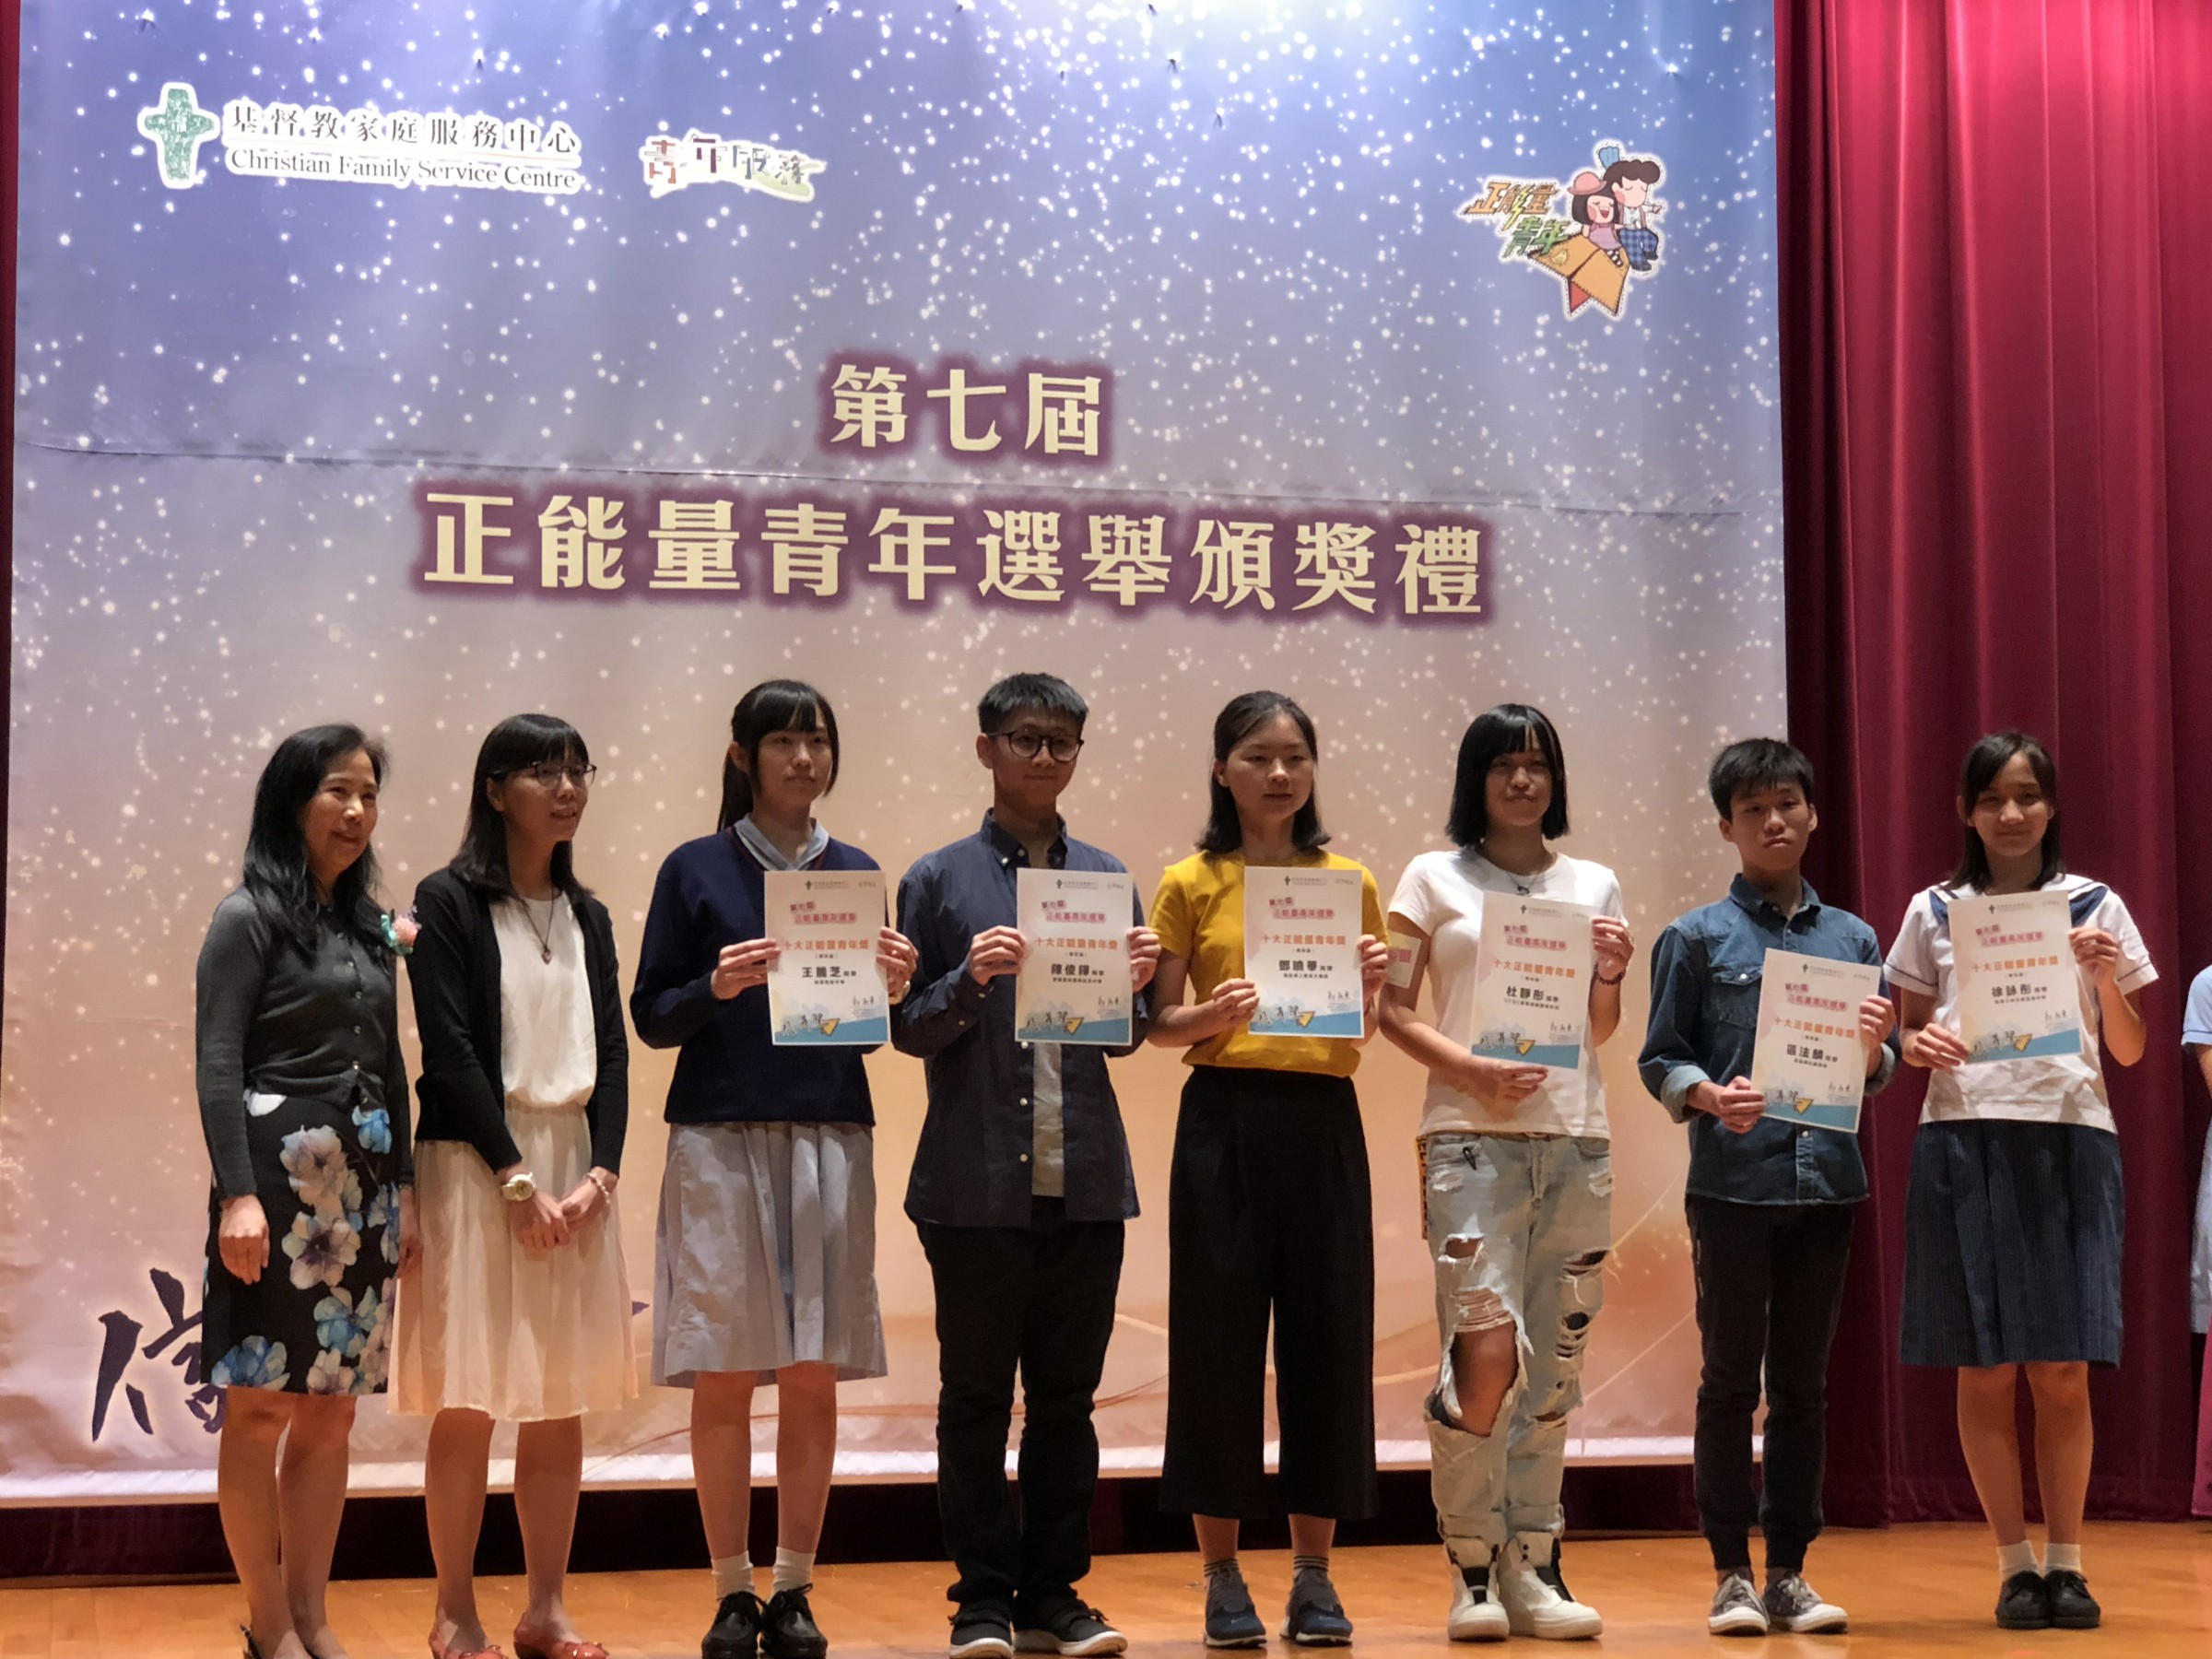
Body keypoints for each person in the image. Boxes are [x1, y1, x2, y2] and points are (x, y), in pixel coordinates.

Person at [632, 681, 919, 1659]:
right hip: (717, 1135)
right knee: (723, 1371)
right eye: (785, 741)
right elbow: (651, 1015)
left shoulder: (857, 873)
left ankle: (794, 1589)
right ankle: (730, 1591)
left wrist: (890, 988)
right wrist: (713, 985)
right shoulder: (695, 868)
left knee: (811, 1371)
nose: (804, 758)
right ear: (742, 755)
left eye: (818, 741)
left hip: (830, 1131)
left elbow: (861, 1036)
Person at [892, 673, 1159, 1659]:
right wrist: (970, 978)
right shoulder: (937, 879)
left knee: (1066, 1405)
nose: (1044, 756)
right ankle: (981, 1601)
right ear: (986, 749)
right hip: (973, 1186)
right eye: (1024, 738)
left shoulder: (1104, 878)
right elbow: (906, 1030)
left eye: (1061, 742)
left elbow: (1123, 1039)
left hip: (1083, 1180)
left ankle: (1054, 1594)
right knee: (972, 1403)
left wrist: (1136, 988)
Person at [1378, 705, 1632, 1642]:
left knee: (1556, 1366)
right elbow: (1392, 1007)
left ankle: (1536, 1561)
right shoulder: (1430, 877)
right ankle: (1472, 1564)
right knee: (1484, 1355)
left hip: (1576, 1140)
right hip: (1469, 1140)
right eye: (1503, 765)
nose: (1522, 781)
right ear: (1475, 779)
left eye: (1537, 765)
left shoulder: (1593, 882)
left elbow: (1598, 1029)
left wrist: (1611, 974)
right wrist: (1471, 1070)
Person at [1888, 730, 2151, 1632]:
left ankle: (2068, 1565)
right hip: (1963, 1138)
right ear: (1966, 811)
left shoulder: (2095, 905)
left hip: (2072, 1137)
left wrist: (2106, 980)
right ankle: (2013, 1566)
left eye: (2028, 795)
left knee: (2065, 1368)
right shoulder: (1934, 909)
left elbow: (2129, 1048)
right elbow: (1905, 1031)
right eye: (1993, 797)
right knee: (1987, 1367)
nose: (2011, 813)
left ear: (2051, 806)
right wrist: (1915, 1043)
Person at [1637, 738, 1898, 1638]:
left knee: (1803, 1389)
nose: (1774, 821)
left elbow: (1876, 1068)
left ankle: (1789, 1571)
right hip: (1732, 1189)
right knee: (1726, 1382)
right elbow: (1660, 1058)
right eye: (1754, 810)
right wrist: (1707, 1095)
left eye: (1788, 804)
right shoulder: (1695, 937)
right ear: (1727, 827)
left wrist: (1875, 1048)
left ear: (1813, 815)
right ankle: (1730, 1574)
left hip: (1827, 1188)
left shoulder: (1852, 939)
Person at [1147, 690, 1390, 1649]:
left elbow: (1362, 1027)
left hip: (1323, 1120)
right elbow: (1159, 1024)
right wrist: (1210, 1016)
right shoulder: (1189, 881)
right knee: (1217, 1348)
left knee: (1328, 1343)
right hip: (1224, 1121)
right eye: (1257, 756)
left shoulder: (1348, 882)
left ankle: (1315, 1579)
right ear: (1222, 770)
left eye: (1295, 756)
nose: (1279, 773)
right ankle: (1220, 1577)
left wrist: (1369, 989)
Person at [396, 715, 634, 1659]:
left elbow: (612, 1054)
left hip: (572, 1168)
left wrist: (602, 1174)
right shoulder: (448, 900)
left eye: (578, 770)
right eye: (543, 772)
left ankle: (546, 1609)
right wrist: (513, 1178)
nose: (568, 788)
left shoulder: (590, 916)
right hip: (476, 1163)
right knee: (470, 1396)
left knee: (558, 1397)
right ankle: (454, 1611)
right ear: (496, 791)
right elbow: (450, 1052)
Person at [194, 724, 420, 1659]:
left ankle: (313, 1615)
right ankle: (268, 1620)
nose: (357, 811)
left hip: (362, 1191)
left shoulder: (372, 927)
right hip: (279, 1190)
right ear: (292, 802)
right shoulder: (247, 916)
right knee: (260, 1406)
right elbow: (218, 1063)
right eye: (337, 791)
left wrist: (406, 1190)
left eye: (369, 794)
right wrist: (235, 1197)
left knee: (332, 1411)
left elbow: (392, 1067)